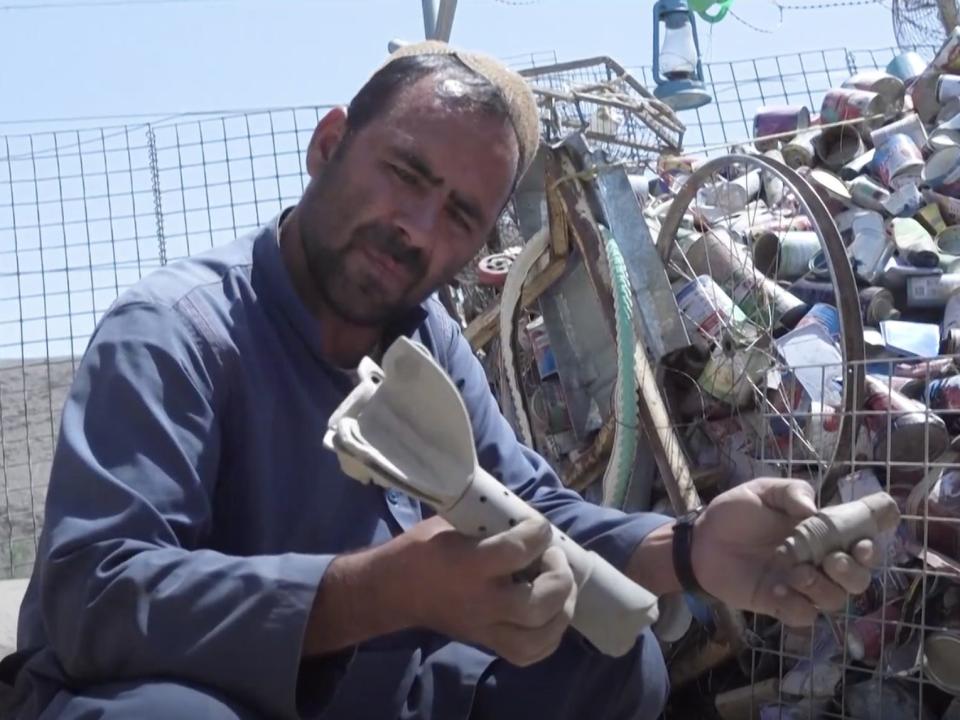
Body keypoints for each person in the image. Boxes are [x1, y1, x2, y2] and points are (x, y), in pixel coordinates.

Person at [2, 41, 874, 720]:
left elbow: (539, 518)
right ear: (329, 144)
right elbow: (95, 598)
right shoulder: (178, 331)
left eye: (460, 213)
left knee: (606, 658)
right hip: (202, 694)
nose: (417, 226)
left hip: (365, 694)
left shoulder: (427, 341)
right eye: (405, 173)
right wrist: (375, 593)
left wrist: (690, 552)